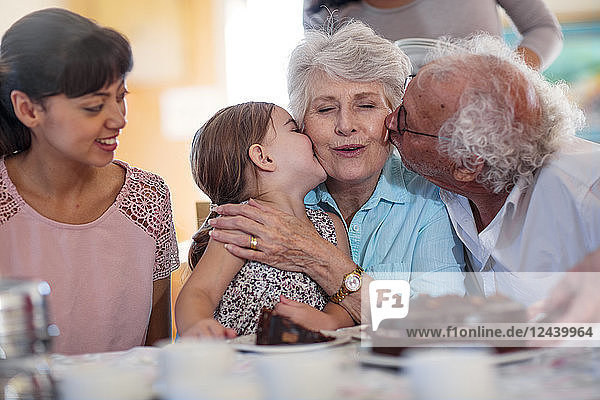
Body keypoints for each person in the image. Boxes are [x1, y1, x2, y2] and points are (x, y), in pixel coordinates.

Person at [207, 20, 465, 325]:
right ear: (301, 123)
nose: (345, 125)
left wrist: (317, 256)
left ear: (394, 117)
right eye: (325, 109)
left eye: (366, 105)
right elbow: (202, 322)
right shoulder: (265, 202)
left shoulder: (430, 197)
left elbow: (437, 321)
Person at [0, 8, 178, 355]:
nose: (119, 119)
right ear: (29, 109)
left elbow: (155, 350)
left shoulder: (148, 198)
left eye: (120, 96)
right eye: (95, 106)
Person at [384, 34, 599, 306]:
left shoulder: (586, 194)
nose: (389, 121)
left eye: (405, 119)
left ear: (466, 165)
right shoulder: (439, 185)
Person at [175, 102, 354, 338]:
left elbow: (344, 298)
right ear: (263, 157)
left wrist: (329, 320)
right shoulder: (242, 224)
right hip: (245, 367)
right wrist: (198, 325)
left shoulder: (331, 226)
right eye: (295, 130)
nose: (309, 135)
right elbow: (199, 292)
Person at [303, 0, 563, 71]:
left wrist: (503, 78)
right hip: (395, 154)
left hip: (489, 128)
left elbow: (543, 29)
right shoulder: (326, 10)